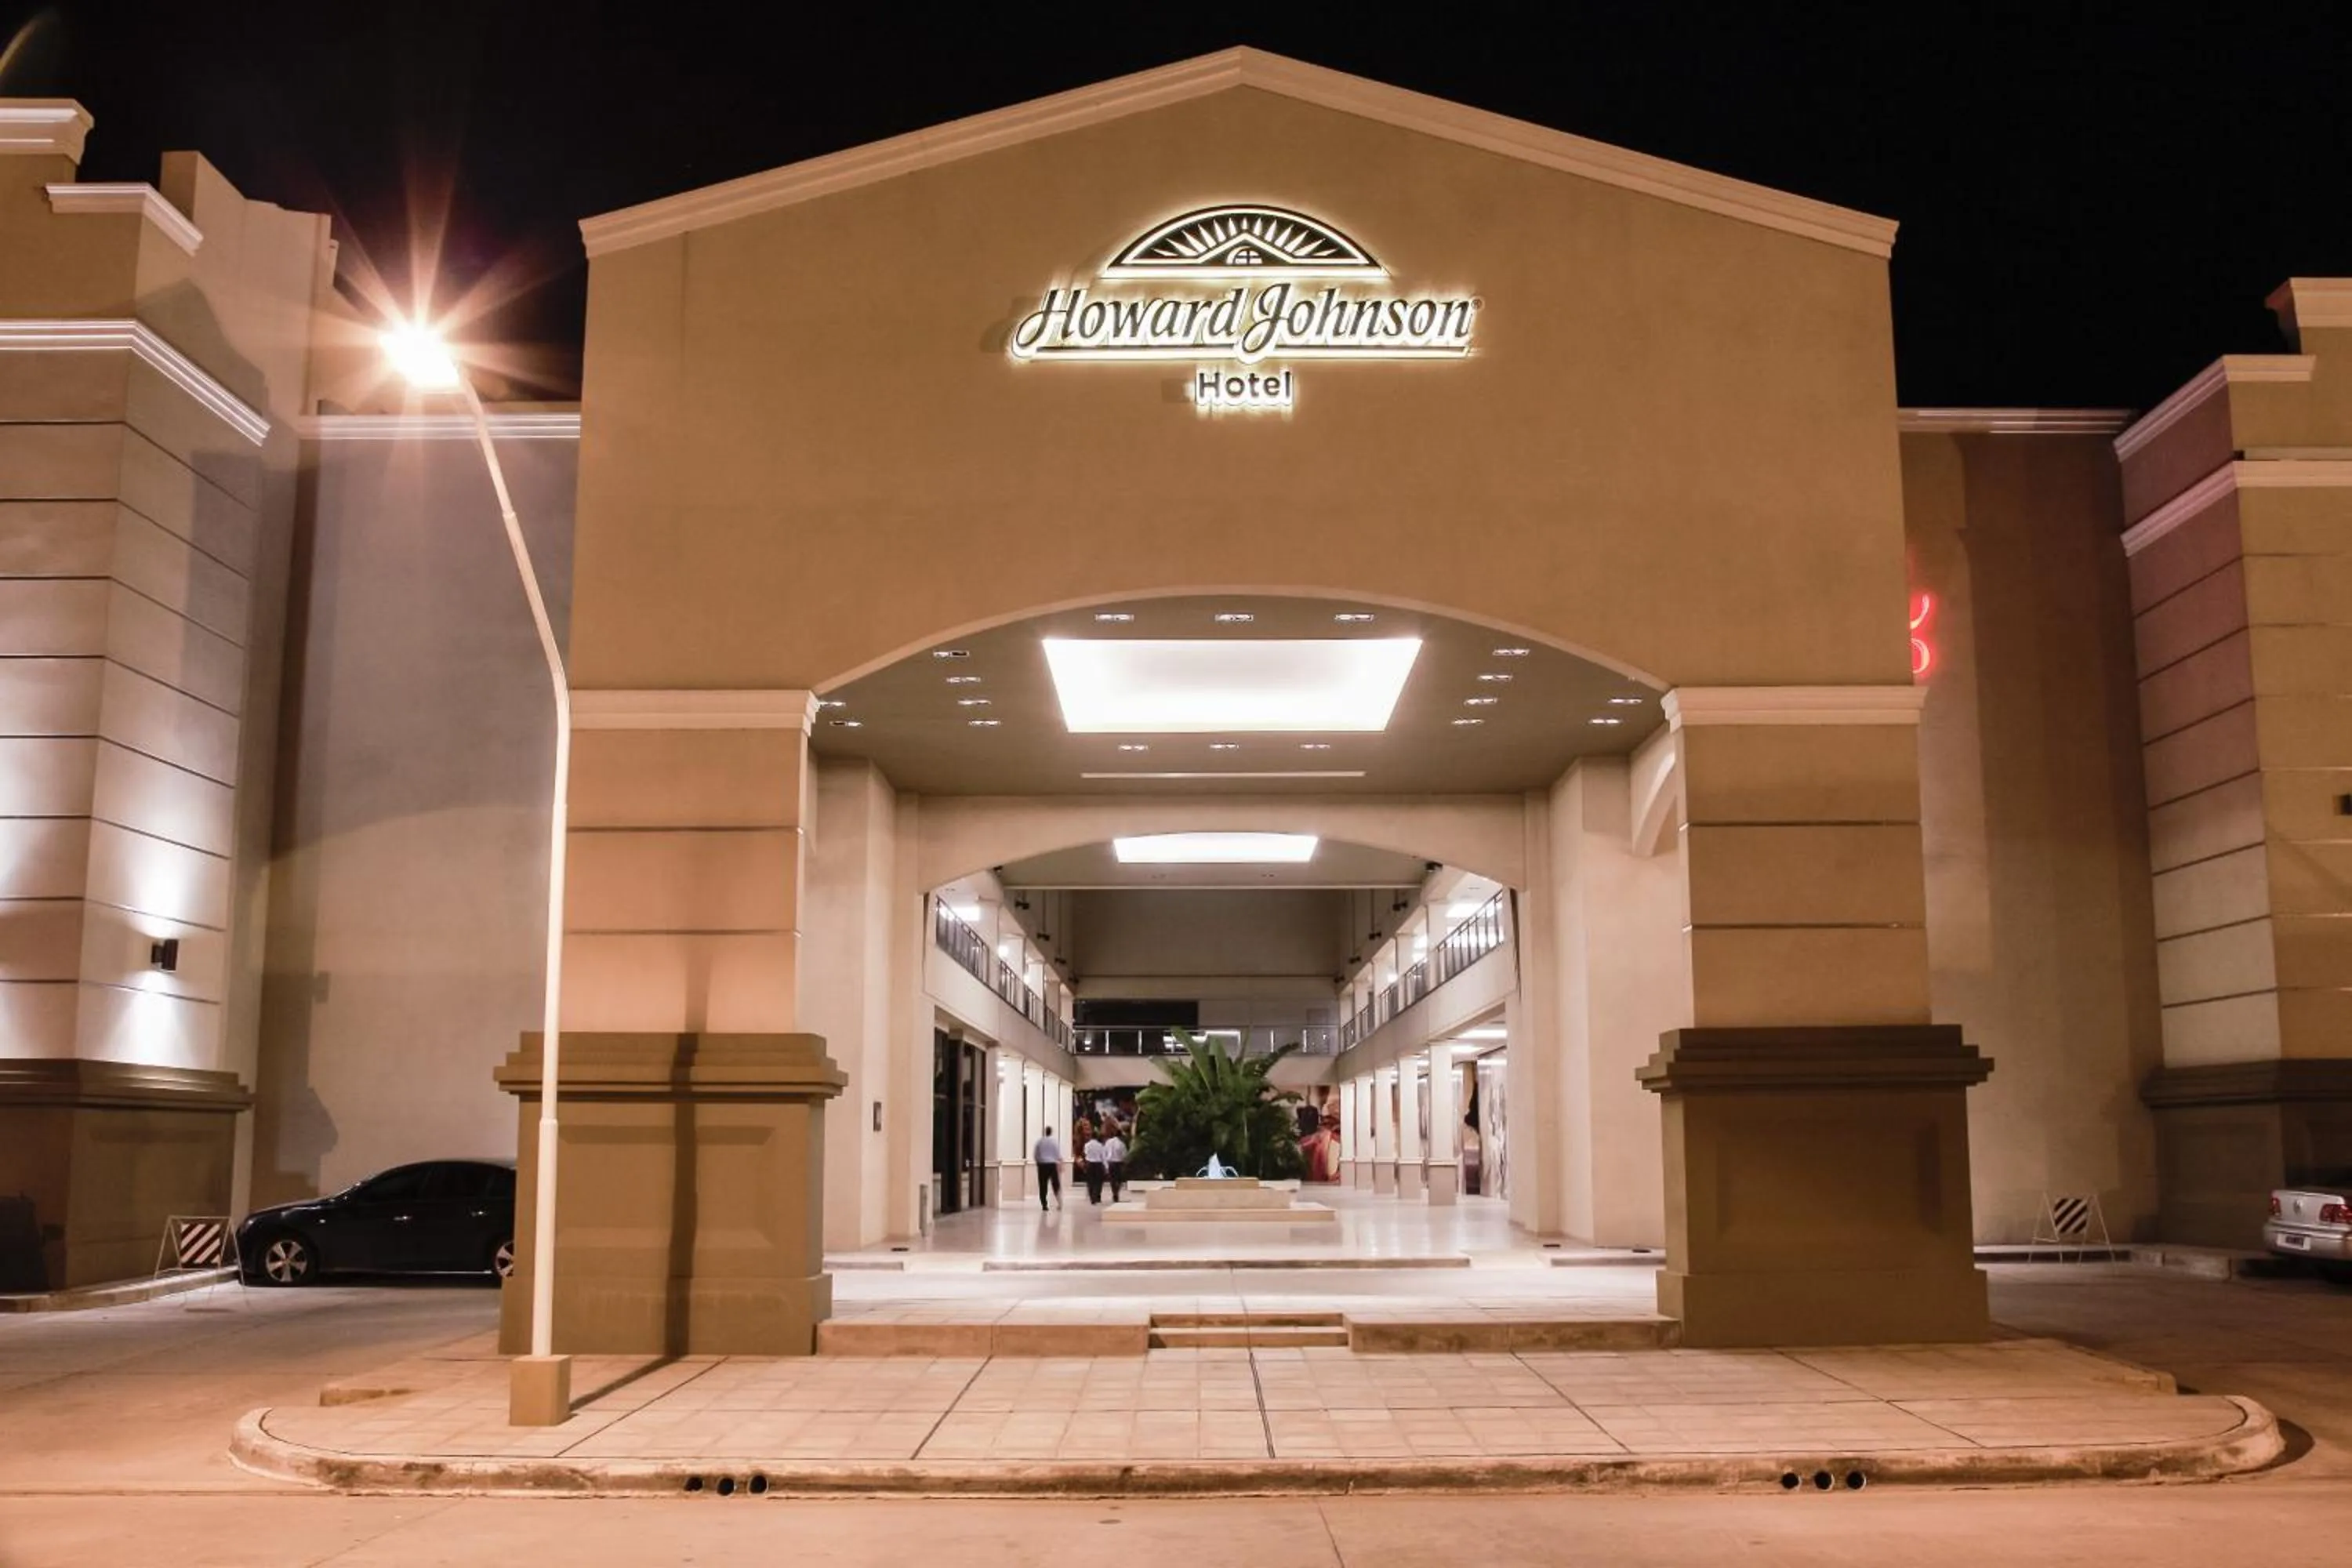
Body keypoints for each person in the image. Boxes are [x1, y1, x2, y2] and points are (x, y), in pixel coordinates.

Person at [1033, 1127, 1062, 1211]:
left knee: (1043, 1185)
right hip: (1052, 1165)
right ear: (1051, 1132)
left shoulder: (1040, 1142)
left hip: (1042, 1166)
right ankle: (1059, 1202)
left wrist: (1038, 1162)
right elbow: (1058, 1154)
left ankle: (1044, 1205)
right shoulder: (1054, 1142)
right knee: (1055, 1184)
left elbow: (1036, 1154)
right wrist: (1060, 1163)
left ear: (1045, 1132)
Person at [1102, 1127, 1128, 1203]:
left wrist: (1106, 1164)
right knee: (1119, 1180)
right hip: (1119, 1164)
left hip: (1110, 1163)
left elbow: (1105, 1152)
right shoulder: (1122, 1144)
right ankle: (1116, 1192)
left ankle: (1114, 1192)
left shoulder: (1108, 1142)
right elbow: (1124, 1155)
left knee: (1112, 1180)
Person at [1081, 1131, 1107, 1204]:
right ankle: (1096, 1197)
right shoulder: (1100, 1145)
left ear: (1091, 1137)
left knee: (1090, 1182)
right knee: (1098, 1182)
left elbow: (1085, 1154)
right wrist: (1106, 1167)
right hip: (1098, 1164)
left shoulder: (1087, 1145)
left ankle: (1092, 1197)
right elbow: (1103, 1157)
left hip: (1090, 1164)